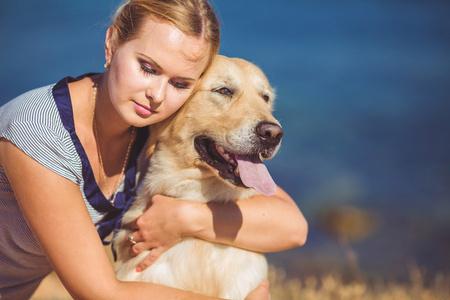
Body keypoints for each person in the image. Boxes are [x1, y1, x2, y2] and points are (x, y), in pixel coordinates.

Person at [0, 0, 308, 299]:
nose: (157, 95)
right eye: (147, 68)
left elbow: (293, 227)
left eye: (180, 83)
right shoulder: (38, 130)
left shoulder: (149, 127)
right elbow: (99, 293)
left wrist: (185, 217)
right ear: (111, 43)